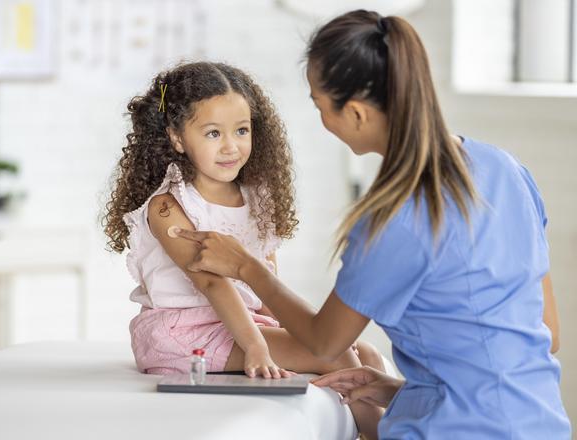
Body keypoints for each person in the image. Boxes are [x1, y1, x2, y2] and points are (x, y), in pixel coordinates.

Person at [172, 11, 572, 439]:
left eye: (321, 106)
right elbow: (544, 333)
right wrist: (409, 392)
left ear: (358, 114)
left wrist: (246, 267)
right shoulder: (505, 169)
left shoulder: (390, 220)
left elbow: (324, 342)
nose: (323, 121)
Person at [103, 61, 384, 438]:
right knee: (334, 356)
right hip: (185, 331)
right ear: (177, 138)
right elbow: (213, 285)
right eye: (213, 133)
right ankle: (382, 434)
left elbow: (266, 284)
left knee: (365, 355)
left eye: (241, 130)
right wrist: (256, 347)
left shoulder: (257, 198)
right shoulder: (169, 206)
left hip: (239, 324)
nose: (231, 146)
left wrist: (290, 331)